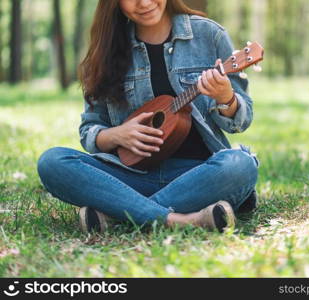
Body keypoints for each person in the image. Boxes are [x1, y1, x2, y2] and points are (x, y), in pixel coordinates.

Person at [37, 0, 259, 234]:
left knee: (240, 164)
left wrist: (226, 98)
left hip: (198, 174)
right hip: (129, 177)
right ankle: (181, 219)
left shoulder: (209, 35)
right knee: (52, 161)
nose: (144, 2)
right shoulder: (106, 48)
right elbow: (90, 129)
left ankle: (118, 214)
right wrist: (117, 135)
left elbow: (241, 122)